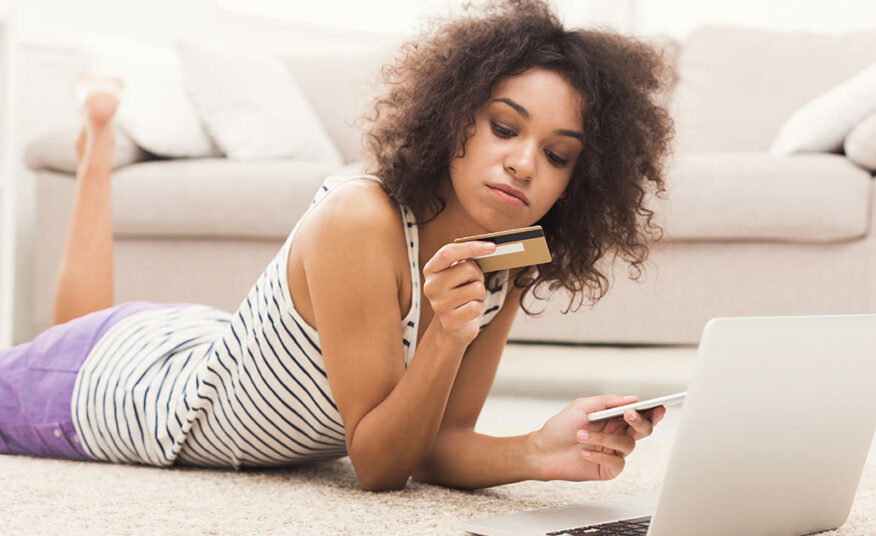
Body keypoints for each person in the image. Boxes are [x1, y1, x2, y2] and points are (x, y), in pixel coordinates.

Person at [0, 0, 674, 491]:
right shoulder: (361, 221)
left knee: (73, 329)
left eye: (557, 155)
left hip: (199, 345)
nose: (525, 163)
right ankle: (97, 151)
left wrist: (539, 450)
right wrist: (443, 333)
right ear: (455, 116)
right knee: (63, 343)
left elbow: (434, 444)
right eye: (504, 127)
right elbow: (378, 465)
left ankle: (96, 153)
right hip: (129, 393)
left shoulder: (508, 260)